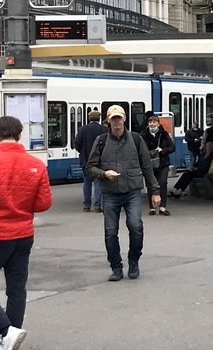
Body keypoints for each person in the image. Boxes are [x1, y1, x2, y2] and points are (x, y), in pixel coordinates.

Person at [0, 115, 52, 350]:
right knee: (16, 288)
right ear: (20, 135)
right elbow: (43, 203)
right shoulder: (34, 164)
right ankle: (7, 343)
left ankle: (6, 332)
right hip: (23, 234)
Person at [85, 104, 161, 281]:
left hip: (132, 190)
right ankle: (116, 266)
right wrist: (104, 174)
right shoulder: (101, 140)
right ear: (108, 121)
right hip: (110, 193)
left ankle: (133, 261)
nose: (117, 122)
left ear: (125, 118)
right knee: (110, 231)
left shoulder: (136, 139)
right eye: (114, 119)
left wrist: (155, 191)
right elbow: (90, 167)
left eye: (119, 118)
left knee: (135, 226)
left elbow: (147, 167)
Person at [138, 112, 175, 216]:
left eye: (154, 122)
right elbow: (139, 149)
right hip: (149, 163)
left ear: (158, 123)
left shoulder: (164, 134)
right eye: (150, 122)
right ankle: (152, 207)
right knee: (151, 184)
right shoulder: (143, 134)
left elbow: (172, 148)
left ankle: (163, 207)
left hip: (163, 163)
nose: (152, 124)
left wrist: (162, 150)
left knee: (162, 183)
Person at [72, 109, 106, 212]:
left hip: (85, 160)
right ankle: (97, 206)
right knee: (97, 183)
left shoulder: (82, 129)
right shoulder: (104, 129)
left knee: (86, 183)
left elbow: (76, 143)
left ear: (89, 118)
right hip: (99, 161)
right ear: (99, 118)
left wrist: (82, 152)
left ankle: (86, 206)